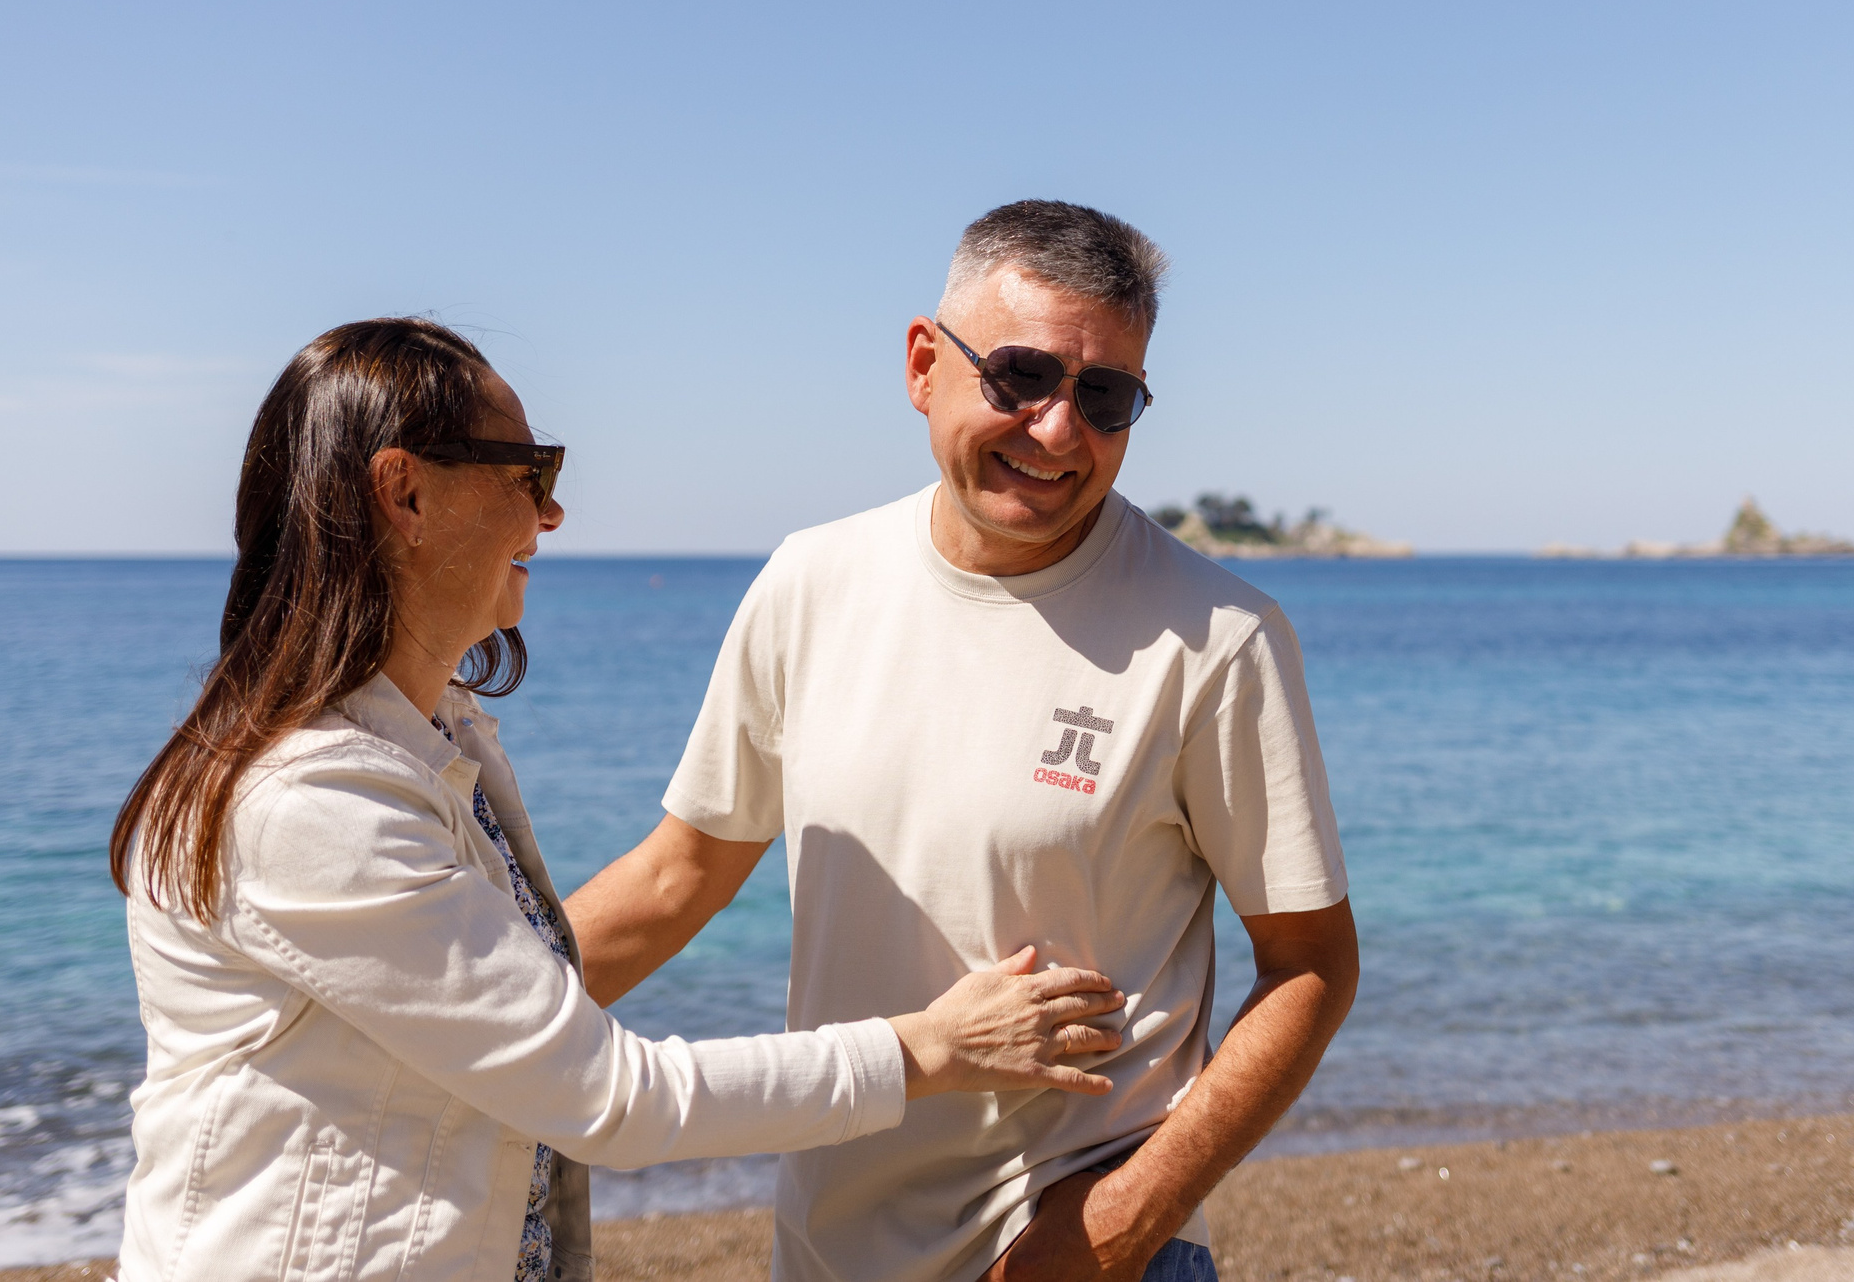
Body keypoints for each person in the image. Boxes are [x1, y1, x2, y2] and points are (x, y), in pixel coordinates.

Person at [110, 318, 1125, 1282]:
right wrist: (933, 1047)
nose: (549, 514)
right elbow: (608, 1098)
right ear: (404, 493)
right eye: (529, 474)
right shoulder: (308, 799)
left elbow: (535, 996)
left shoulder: (435, 742)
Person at [567, 203, 1356, 1282]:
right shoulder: (811, 581)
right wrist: (440, 1025)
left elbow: (1310, 967)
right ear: (922, 364)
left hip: (1079, 1253)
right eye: (1020, 377)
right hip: (827, 1249)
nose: (1057, 431)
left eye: (1105, 396)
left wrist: (1122, 1223)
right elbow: (676, 878)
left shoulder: (1219, 640)